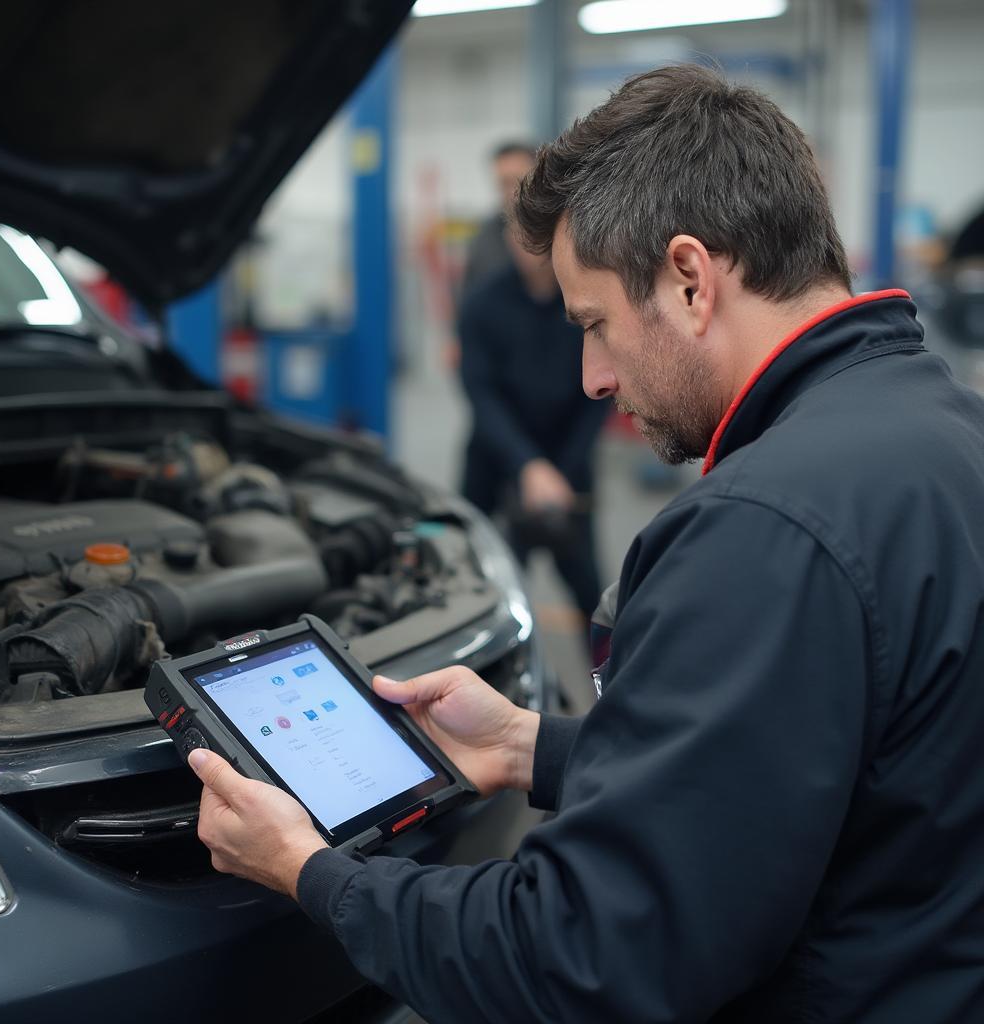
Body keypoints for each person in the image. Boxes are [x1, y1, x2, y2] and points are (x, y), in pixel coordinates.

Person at [188, 65, 984, 1023]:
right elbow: (820, 765)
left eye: (596, 324)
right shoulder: (940, 428)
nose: (593, 377)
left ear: (690, 279)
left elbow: (587, 955)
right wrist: (536, 746)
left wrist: (311, 873)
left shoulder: (761, 531)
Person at [459, 228, 609, 629]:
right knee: (487, 594)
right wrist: (527, 465)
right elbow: (481, 395)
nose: (528, 241)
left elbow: (598, 397)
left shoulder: (587, 302)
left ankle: (608, 686)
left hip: (568, 470)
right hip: (496, 467)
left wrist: (558, 472)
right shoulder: (481, 304)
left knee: (590, 596)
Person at [461, 141, 537, 296]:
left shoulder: (561, 233)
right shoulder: (484, 241)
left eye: (518, 181)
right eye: (504, 183)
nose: (512, 192)